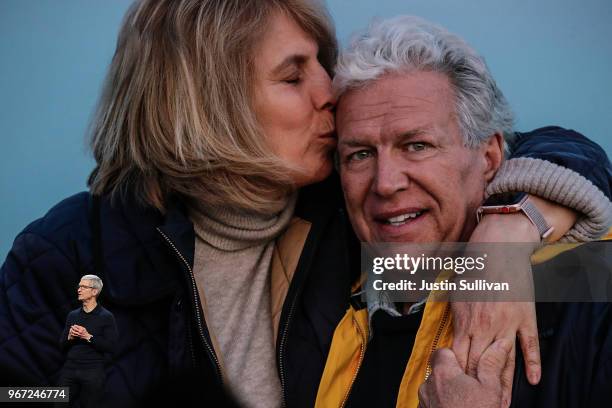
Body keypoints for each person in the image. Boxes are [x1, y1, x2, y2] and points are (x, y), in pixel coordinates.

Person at [0, 2, 609, 407]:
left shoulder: (356, 224)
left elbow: (532, 154)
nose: (330, 89)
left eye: (322, 61)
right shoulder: (66, 251)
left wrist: (513, 229)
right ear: (209, 103)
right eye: (294, 76)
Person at [315, 15, 612, 408]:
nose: (385, 182)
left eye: (416, 145)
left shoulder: (590, 295)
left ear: (489, 156)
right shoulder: (317, 290)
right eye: (360, 154)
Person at [58, 275, 118, 408]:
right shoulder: (72, 315)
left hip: (93, 371)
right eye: (79, 286)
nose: (79, 290)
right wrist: (69, 338)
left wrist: (88, 337)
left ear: (94, 292)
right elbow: (61, 344)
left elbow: (111, 346)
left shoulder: (106, 317)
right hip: (69, 368)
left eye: (83, 287)